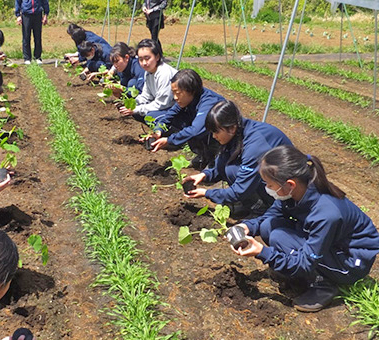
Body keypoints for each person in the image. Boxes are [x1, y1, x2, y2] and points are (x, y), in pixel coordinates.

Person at [232, 145, 379, 312]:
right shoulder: (297, 190)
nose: (267, 189)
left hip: (350, 261)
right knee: (268, 226)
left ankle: (323, 284)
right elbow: (272, 214)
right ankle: (298, 269)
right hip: (332, 243)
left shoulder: (326, 214)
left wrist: (262, 252)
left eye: (269, 185)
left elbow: (305, 262)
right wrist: (247, 227)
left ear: (290, 184)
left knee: (280, 237)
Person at [183, 100, 292, 217]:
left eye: (216, 132)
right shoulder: (237, 132)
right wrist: (205, 175)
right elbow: (221, 163)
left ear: (232, 128)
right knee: (227, 164)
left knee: (232, 170)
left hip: (283, 188)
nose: (214, 136)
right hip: (266, 176)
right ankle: (250, 203)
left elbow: (240, 189)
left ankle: (262, 207)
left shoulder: (255, 146)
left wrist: (207, 193)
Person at [148, 69, 225, 169]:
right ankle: (203, 156)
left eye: (178, 93)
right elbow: (170, 115)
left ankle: (216, 160)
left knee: (197, 129)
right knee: (179, 120)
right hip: (205, 132)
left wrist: (170, 140)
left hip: (224, 137)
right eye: (173, 93)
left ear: (191, 91)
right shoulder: (186, 100)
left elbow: (196, 130)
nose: (175, 97)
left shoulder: (209, 102)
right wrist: (158, 130)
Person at [117, 38, 177, 125]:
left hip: (175, 108)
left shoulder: (164, 73)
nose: (144, 63)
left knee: (150, 116)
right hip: (165, 106)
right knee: (138, 113)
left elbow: (162, 104)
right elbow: (146, 96)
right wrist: (130, 103)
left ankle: (172, 135)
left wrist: (136, 109)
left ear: (157, 57)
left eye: (147, 58)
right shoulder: (148, 72)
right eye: (141, 59)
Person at [15, 0, 49, 65]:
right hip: (26, 14)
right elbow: (18, 2)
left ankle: (37, 57)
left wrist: (45, 14)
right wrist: (18, 15)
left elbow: (45, 2)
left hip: (38, 14)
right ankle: (27, 58)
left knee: (38, 37)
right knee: (26, 37)